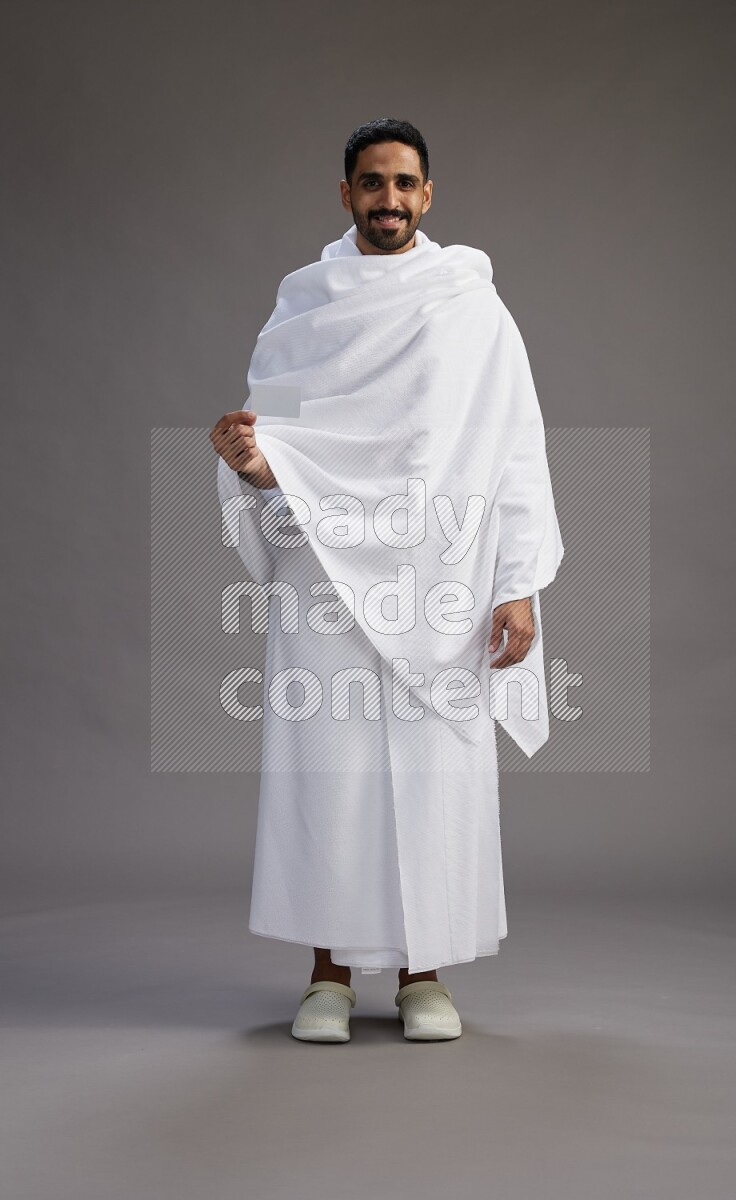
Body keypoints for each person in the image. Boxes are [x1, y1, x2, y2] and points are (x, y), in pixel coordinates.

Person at [210, 118, 563, 1043]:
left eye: (405, 183)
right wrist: (254, 467)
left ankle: (422, 976)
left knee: (430, 769)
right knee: (327, 767)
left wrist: (517, 582)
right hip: (324, 568)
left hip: (440, 570)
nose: (390, 200)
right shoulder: (306, 306)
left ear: (428, 195)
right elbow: (279, 439)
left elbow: (515, 446)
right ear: (347, 194)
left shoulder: (470, 307)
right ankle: (326, 977)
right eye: (373, 183)